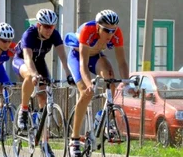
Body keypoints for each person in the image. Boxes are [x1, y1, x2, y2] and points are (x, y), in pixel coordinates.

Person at [64, 10, 131, 156]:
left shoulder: (116, 33)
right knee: (86, 93)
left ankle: (104, 116)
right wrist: (89, 84)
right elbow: (83, 63)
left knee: (111, 77)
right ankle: (74, 139)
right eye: (107, 30)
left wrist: (127, 84)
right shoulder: (88, 30)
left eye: (113, 30)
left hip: (96, 57)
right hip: (78, 58)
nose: (110, 34)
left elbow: (122, 63)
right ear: (98, 27)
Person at [12, 9, 74, 156]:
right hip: (21, 60)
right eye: (46, 26)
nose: (49, 30)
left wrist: (69, 75)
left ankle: (45, 144)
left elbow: (63, 57)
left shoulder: (55, 35)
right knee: (29, 76)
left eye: (52, 26)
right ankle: (24, 110)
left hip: (39, 62)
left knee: (44, 101)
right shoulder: (29, 34)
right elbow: (27, 58)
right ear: (39, 25)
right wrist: (34, 75)